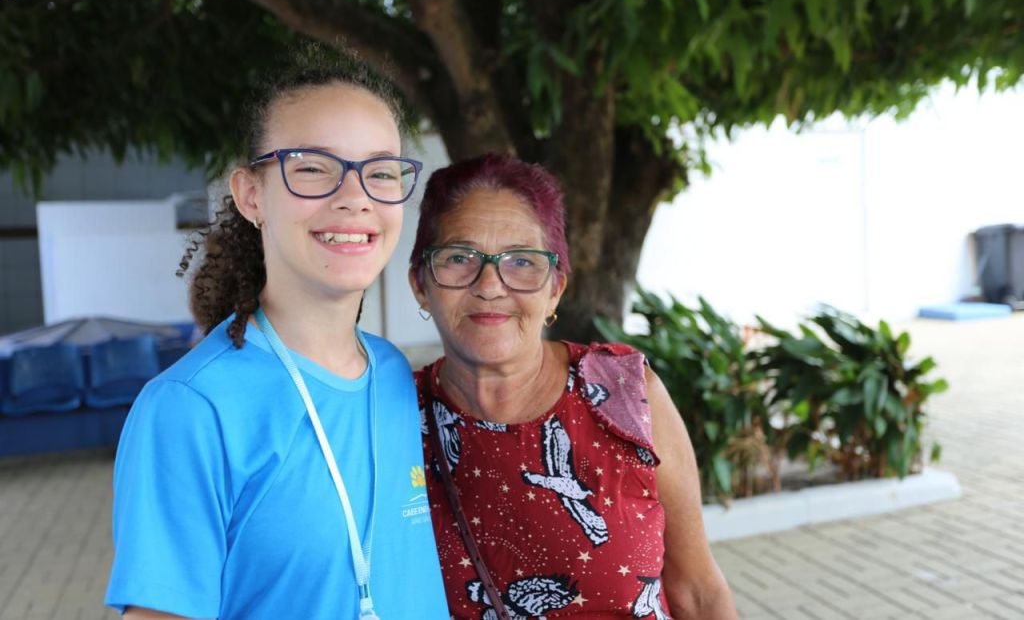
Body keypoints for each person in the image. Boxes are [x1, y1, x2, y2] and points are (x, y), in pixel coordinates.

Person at [105, 46, 449, 620]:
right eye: (312, 167)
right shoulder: (191, 408)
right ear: (251, 196)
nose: (355, 197)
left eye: (381, 172)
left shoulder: (392, 374)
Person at [408, 153, 737, 619]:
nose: (490, 285)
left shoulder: (625, 393)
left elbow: (699, 592)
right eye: (460, 258)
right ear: (420, 284)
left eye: (522, 261)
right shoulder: (394, 416)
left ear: (555, 288)